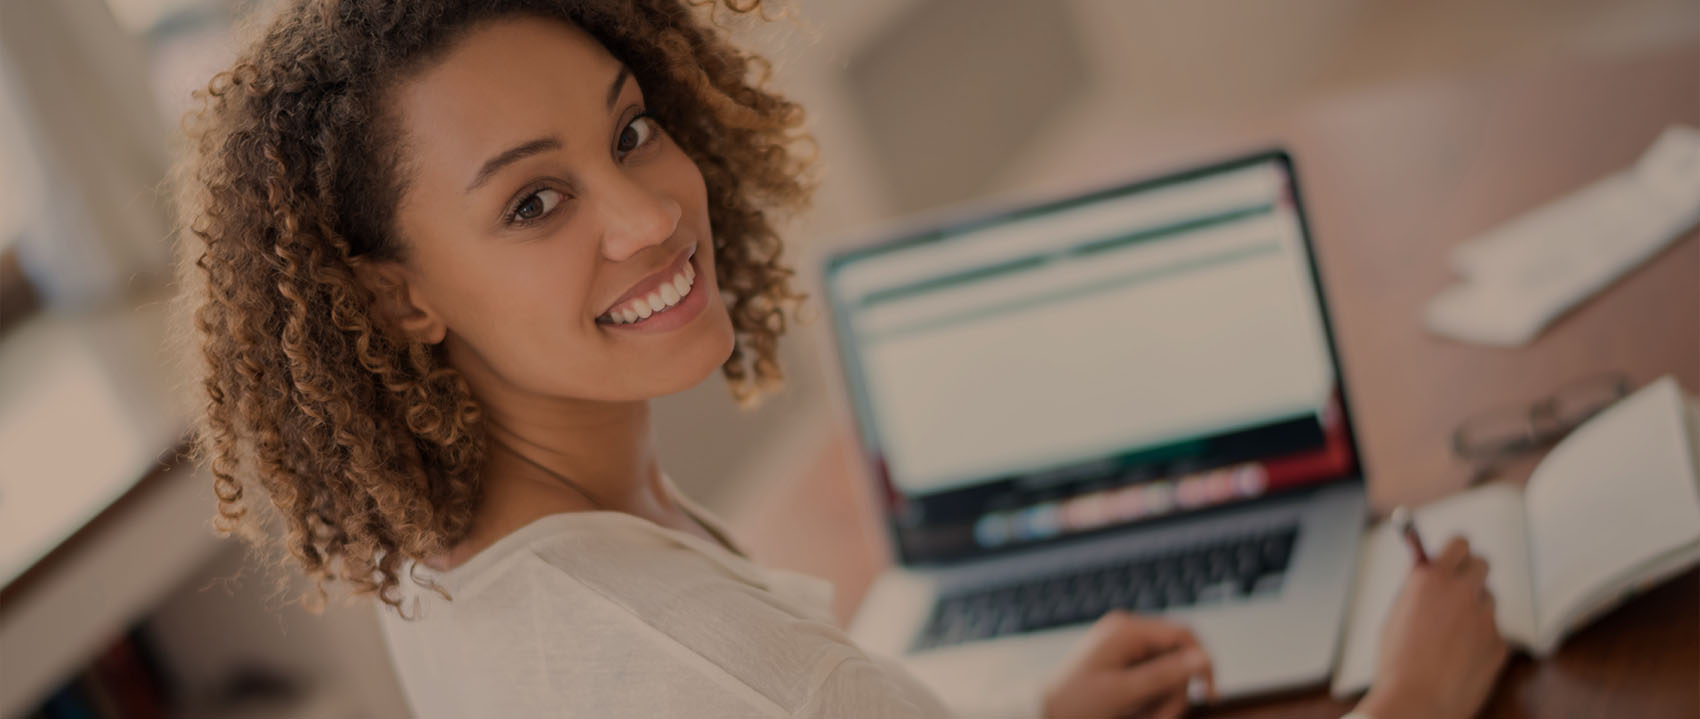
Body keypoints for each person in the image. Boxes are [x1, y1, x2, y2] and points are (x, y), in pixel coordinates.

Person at [173, 1, 1508, 717]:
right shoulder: (746, 677)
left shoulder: (442, 565)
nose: (648, 216)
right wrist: (1415, 699)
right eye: (534, 202)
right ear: (395, 297)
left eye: (630, 132)